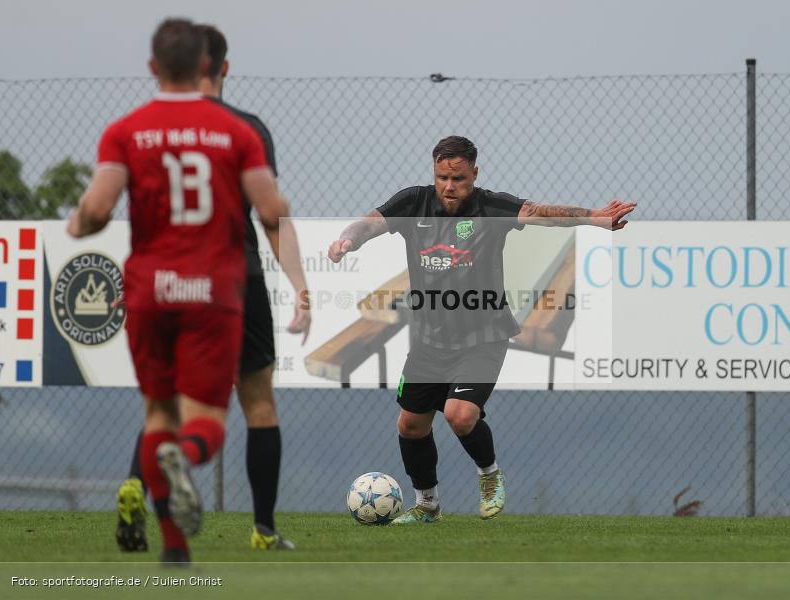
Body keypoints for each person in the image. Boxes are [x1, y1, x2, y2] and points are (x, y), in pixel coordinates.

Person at [69, 18, 292, 564]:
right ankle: (249, 515)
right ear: (209, 67)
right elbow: (273, 211)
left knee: (158, 413)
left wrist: (78, 225)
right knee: (224, 414)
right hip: (219, 286)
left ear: (151, 68)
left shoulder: (126, 130)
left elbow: (96, 211)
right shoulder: (238, 132)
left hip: (148, 290)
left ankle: (172, 544)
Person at [327, 136, 635, 523]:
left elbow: (540, 213)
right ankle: (427, 506)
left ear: (475, 172)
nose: (449, 186)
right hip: (429, 340)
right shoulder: (414, 202)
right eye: (442, 177)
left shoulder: (490, 206)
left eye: (458, 178)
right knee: (410, 425)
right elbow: (371, 222)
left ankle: (489, 476)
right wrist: (347, 240)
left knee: (459, 415)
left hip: (483, 337)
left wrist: (594, 217)